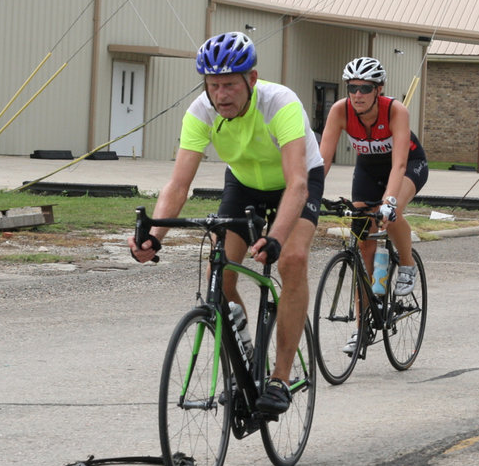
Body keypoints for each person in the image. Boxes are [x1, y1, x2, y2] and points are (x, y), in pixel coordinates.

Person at [128, 32, 324, 415]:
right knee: (220, 275)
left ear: (252, 79)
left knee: (292, 260)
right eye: (213, 85)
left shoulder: (280, 103)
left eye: (230, 85)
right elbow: (178, 184)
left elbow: (298, 184)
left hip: (296, 182)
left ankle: (280, 379)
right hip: (244, 184)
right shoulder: (200, 112)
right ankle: (246, 358)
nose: (221, 95)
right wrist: (153, 236)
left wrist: (275, 237)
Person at [318, 56, 429, 354]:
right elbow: (323, 159)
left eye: (365, 88)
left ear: (379, 89)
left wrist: (389, 201)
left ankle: (407, 264)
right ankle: (363, 326)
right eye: (352, 87)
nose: (358, 94)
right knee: (363, 247)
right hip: (367, 170)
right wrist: (308, 193)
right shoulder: (340, 111)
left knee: (390, 215)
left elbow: (400, 163)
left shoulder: (395, 110)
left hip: (408, 166)